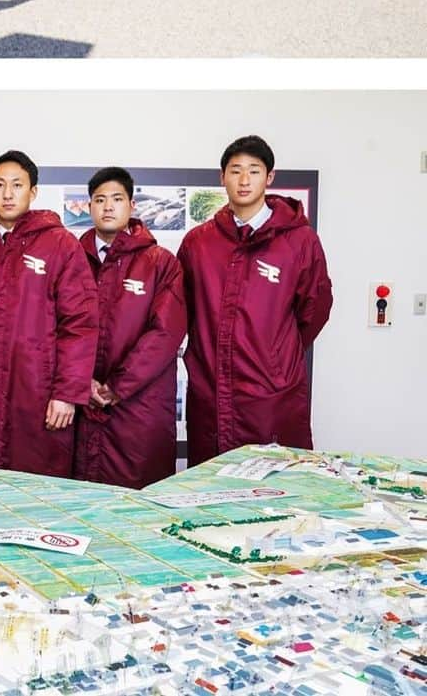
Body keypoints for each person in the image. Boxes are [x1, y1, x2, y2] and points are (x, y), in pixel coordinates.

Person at [177, 136, 333, 465]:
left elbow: (315, 309)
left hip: (270, 395)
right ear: (222, 178)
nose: (244, 180)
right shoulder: (199, 243)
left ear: (270, 177)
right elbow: (182, 309)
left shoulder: (299, 241)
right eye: (235, 171)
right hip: (211, 392)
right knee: (210, 493)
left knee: (277, 494)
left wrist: (276, 356)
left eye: (254, 170)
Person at [0, 150, 98, 476]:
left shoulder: (60, 246)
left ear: (33, 192)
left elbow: (81, 324)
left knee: (37, 492)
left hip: (38, 397)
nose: (7, 193)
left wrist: (67, 393)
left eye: (17, 185)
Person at [72, 167, 185, 489]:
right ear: (90, 206)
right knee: (81, 500)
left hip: (140, 406)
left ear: (132, 206)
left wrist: (117, 386)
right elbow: (55, 327)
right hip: (81, 401)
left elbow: (165, 332)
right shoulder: (72, 259)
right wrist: (82, 381)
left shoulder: (160, 263)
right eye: (100, 200)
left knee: (139, 502)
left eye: (117, 199)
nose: (108, 207)